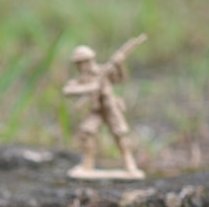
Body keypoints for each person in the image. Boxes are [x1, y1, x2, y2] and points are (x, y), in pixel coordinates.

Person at [62, 34, 146, 178]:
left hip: (111, 108)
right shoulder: (82, 79)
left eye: (85, 62)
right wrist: (89, 88)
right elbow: (67, 90)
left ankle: (129, 163)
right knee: (86, 134)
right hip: (96, 111)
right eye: (79, 63)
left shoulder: (102, 71)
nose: (83, 66)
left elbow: (120, 78)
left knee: (120, 135)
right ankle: (87, 164)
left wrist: (119, 65)